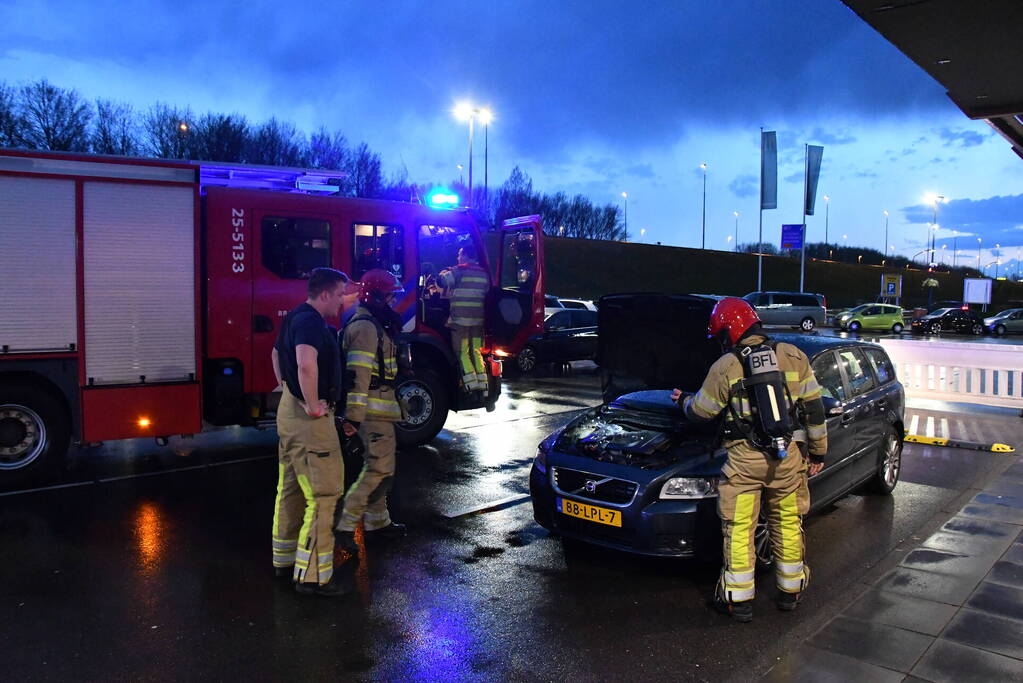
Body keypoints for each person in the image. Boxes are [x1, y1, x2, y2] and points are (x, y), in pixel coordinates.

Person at [673, 297, 827, 623]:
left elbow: (703, 411)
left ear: (730, 331)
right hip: (787, 460)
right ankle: (790, 592)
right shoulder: (794, 356)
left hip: (745, 462)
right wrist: (818, 452)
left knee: (740, 527)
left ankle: (739, 601)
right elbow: (814, 411)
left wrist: (683, 400)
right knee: (786, 522)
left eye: (721, 336)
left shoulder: (726, 366)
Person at [270, 267, 361, 597]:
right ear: (325, 293)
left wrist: (285, 387)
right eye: (339, 293)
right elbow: (305, 362)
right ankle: (312, 576)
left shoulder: (294, 316)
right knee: (324, 494)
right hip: (308, 418)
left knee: (291, 488)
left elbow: (276, 354)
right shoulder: (310, 322)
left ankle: (284, 560)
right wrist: (312, 404)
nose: (341, 300)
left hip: (289, 413)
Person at [334, 269, 408, 553]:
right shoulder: (365, 328)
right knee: (378, 470)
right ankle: (344, 525)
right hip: (371, 413)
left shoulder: (370, 323)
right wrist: (353, 417)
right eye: (389, 295)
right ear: (376, 295)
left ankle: (378, 523)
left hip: (379, 410)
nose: (392, 301)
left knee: (380, 468)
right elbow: (359, 376)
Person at [437, 245, 490, 396]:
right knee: (476, 351)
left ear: (466, 255)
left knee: (462, 353)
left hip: (460, 322)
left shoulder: (459, 271)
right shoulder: (483, 274)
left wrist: (443, 272)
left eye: (459, 254)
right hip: (478, 323)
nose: (458, 258)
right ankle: (484, 387)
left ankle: (471, 387)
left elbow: (441, 281)